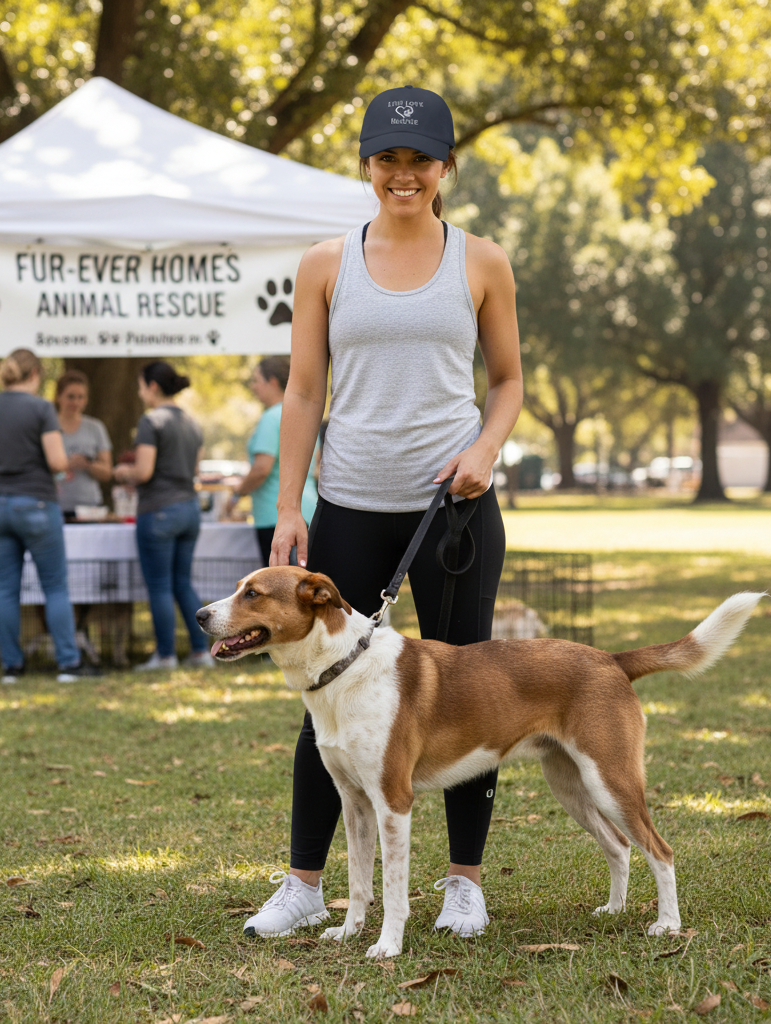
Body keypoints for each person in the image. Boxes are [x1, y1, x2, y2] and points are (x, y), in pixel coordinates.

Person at [244, 86, 523, 941]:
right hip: (351, 508)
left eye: (420, 159)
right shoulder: (325, 263)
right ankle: (303, 884)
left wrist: (485, 450)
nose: (404, 174)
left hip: (454, 514)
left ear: (445, 167)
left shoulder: (483, 261)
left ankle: (464, 883)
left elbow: (508, 382)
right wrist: (289, 505)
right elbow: (302, 391)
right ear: (367, 165)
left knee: (472, 694)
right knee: (324, 695)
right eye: (387, 159)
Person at [0, 349, 102, 684]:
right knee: (54, 586)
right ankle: (68, 663)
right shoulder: (41, 408)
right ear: (35, 374)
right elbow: (57, 461)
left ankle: (11, 666)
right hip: (37, 503)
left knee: (6, 589)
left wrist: (0, 467)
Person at [112, 361, 215, 670]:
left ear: (152, 387)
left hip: (158, 510)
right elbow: (194, 469)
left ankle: (165, 655)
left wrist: (122, 472)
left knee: (159, 585)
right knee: (183, 582)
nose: (140, 393)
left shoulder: (151, 420)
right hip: (189, 509)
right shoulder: (192, 422)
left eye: (141, 386)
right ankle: (200, 652)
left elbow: (143, 471)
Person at [228, 356, 318, 565]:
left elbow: (262, 468)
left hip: (276, 516)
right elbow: (317, 462)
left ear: (273, 383)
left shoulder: (270, 418)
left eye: (256, 380)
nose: (253, 386)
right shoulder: (305, 416)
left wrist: (238, 491)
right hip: (309, 511)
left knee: (279, 582)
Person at [54, 369, 113, 520]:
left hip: (89, 507)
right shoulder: (48, 427)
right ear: (58, 396)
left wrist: (87, 464)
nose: (76, 402)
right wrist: (63, 465)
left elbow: (107, 472)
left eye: (81, 397)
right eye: (70, 397)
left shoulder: (95, 427)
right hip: (54, 505)